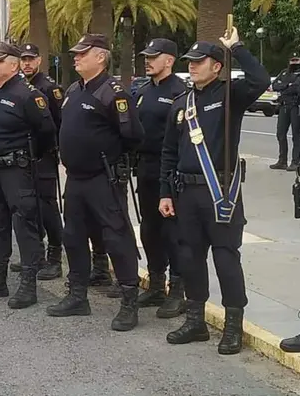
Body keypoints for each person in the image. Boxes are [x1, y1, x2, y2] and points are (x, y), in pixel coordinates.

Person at [160, 29, 269, 354]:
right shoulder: (182, 103)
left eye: (199, 61)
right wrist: (166, 192)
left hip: (221, 192)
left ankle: (233, 325)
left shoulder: (230, 95)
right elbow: (169, 151)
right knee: (190, 258)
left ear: (218, 66)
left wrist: (237, 46)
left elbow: (261, 80)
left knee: (225, 259)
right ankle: (196, 321)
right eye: (190, 62)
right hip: (187, 194)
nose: (192, 67)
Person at [47, 34, 144, 331]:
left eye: (82, 54)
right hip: (76, 179)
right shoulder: (75, 90)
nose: (75, 58)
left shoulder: (113, 93)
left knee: (116, 237)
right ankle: (77, 296)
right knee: (73, 236)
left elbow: (132, 136)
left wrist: (113, 160)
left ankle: (129, 302)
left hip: (104, 177)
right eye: (75, 54)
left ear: (100, 57)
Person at [0, 42, 57, 308]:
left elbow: (46, 131)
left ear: (15, 65)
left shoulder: (27, 94)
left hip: (17, 169)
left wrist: (28, 158)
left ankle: (28, 286)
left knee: (24, 224)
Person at [133, 39, 188, 318]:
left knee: (172, 232)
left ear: (169, 60)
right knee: (150, 228)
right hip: (145, 168)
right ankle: (156, 283)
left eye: (154, 56)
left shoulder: (180, 92)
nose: (148, 60)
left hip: (170, 170)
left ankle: (178, 289)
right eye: (146, 56)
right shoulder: (142, 92)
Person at [18, 43, 65, 280]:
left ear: (39, 60)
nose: (26, 63)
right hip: (24, 156)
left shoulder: (48, 88)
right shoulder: (19, 87)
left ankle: (55, 257)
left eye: (30, 59)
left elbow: (58, 124)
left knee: (47, 208)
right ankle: (36, 255)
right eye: (23, 59)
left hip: (44, 156)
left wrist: (52, 151)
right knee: (29, 207)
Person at [270, 54, 300, 171]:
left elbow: (297, 88)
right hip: (283, 106)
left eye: (296, 60)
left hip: (296, 106)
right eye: (292, 60)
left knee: (296, 135)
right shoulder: (284, 72)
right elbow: (274, 85)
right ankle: (282, 161)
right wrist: (287, 85)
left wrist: (284, 87)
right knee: (280, 133)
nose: (294, 62)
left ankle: (295, 162)